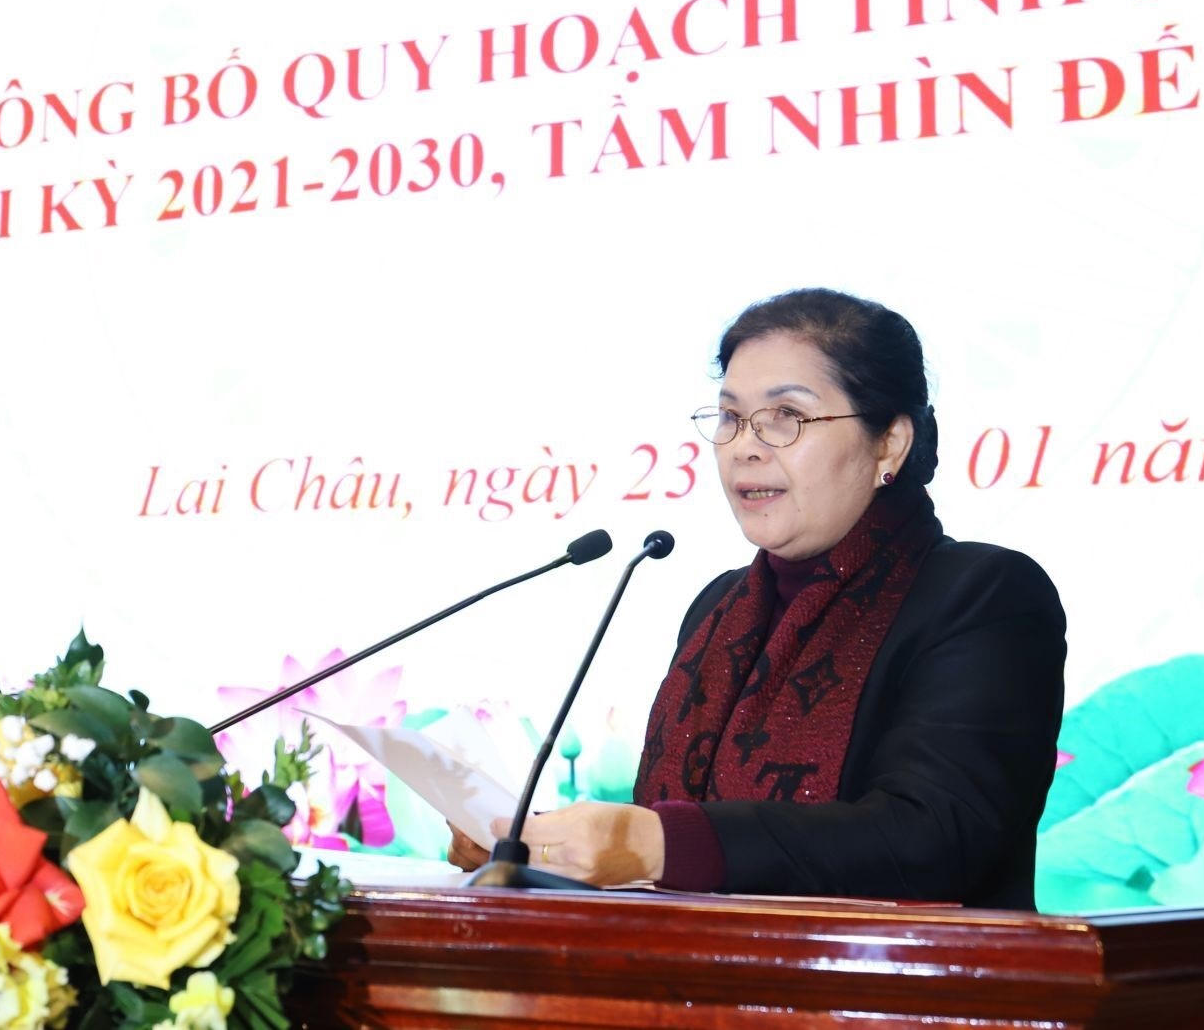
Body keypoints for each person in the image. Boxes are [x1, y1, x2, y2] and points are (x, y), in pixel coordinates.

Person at [449, 288, 1066, 907]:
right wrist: (536, 846)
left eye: (786, 416)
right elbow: (681, 843)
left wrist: (662, 843)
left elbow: (936, 838)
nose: (745, 445)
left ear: (889, 443)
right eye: (730, 417)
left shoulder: (984, 596)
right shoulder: (720, 610)